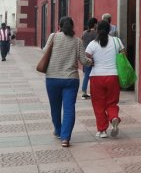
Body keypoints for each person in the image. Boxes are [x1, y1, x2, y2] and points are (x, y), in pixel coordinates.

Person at [43, 16, 92, 147]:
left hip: (52, 78)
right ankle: (65, 138)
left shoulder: (53, 36)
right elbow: (83, 60)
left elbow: (44, 52)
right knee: (69, 108)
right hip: (71, 79)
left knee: (55, 107)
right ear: (72, 27)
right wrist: (91, 61)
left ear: (59, 26)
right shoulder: (77, 41)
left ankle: (58, 131)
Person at [85, 20, 122, 138]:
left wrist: (93, 61)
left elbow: (86, 59)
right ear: (109, 29)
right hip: (113, 76)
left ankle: (102, 130)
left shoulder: (92, 44)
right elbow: (123, 56)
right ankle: (114, 117)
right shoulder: (117, 41)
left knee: (98, 104)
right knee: (111, 102)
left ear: (97, 30)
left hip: (96, 77)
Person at [80, 17, 98, 99]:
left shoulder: (84, 33)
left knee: (86, 75)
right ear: (94, 24)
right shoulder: (97, 33)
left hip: (86, 56)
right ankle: (94, 92)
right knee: (94, 75)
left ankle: (84, 92)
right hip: (95, 57)